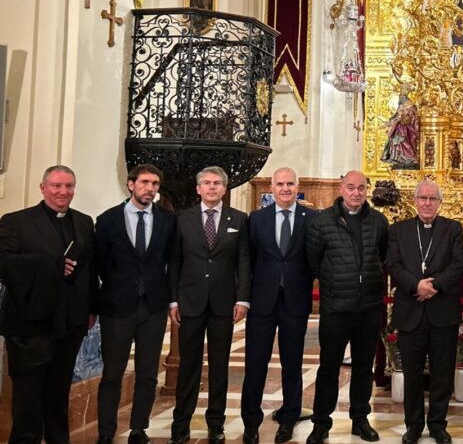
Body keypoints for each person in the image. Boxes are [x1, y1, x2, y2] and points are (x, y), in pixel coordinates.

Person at [0, 165, 97, 444]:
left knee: (58, 393)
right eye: (57, 186)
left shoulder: (84, 222)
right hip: (29, 325)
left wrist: (91, 310)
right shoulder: (17, 221)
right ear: (43, 188)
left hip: (69, 323)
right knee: (28, 397)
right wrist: (50, 266)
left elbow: (90, 269)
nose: (63, 192)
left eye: (69, 186)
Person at [168, 166, 251, 444]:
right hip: (190, 302)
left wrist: (242, 299)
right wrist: (173, 299)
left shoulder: (239, 218)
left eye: (217, 183)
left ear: (225, 189)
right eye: (207, 183)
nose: (212, 187)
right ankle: (181, 424)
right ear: (198, 188)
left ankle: (216, 423)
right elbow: (175, 262)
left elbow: (243, 261)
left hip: (223, 303)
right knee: (188, 366)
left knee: (219, 366)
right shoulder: (182, 219)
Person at [94, 164, 176, 444]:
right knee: (112, 373)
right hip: (117, 307)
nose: (150, 189)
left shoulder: (167, 219)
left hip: (153, 306)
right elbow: (101, 263)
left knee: (148, 372)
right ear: (131, 184)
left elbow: (170, 260)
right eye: (144, 182)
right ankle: (105, 432)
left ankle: (138, 429)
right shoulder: (107, 220)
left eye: (155, 184)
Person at [306, 171, 389, 444]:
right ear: (342, 188)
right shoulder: (322, 221)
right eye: (351, 187)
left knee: (364, 367)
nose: (356, 193)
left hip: (368, 307)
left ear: (367, 190)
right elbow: (314, 261)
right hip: (336, 307)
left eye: (361, 188)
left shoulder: (378, 221)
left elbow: (383, 257)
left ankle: (360, 419)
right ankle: (321, 423)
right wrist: (335, 285)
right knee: (329, 367)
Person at [386, 181, 463, 444]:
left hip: (442, 311)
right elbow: (393, 265)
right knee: (413, 373)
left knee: (443, 373)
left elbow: (457, 265)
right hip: (411, 311)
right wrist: (415, 285)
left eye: (433, 198)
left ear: (440, 202)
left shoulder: (452, 228)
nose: (428, 203)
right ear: (415, 200)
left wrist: (434, 286)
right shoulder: (399, 230)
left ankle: (438, 424)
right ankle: (414, 425)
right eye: (423, 198)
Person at [241, 169, 316, 444]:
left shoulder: (313, 219)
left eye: (290, 184)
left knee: (292, 363)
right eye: (280, 184)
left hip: (295, 301)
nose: (285, 188)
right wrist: (245, 297)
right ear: (271, 188)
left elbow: (316, 258)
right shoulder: (256, 219)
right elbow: (248, 259)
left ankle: (289, 418)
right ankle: (251, 422)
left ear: (298, 186)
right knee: (255, 362)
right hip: (262, 301)